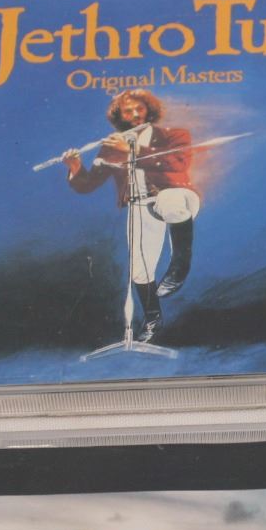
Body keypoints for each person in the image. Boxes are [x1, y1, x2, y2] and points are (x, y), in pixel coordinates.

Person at [63, 90, 197, 342]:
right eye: (128, 111)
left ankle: (180, 266)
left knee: (170, 203)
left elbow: (177, 164)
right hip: (139, 204)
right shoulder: (111, 147)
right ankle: (153, 320)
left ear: (149, 110)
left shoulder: (174, 135)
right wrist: (76, 167)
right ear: (120, 116)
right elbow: (88, 185)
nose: (135, 114)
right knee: (139, 270)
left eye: (140, 109)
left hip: (175, 195)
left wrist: (132, 150)